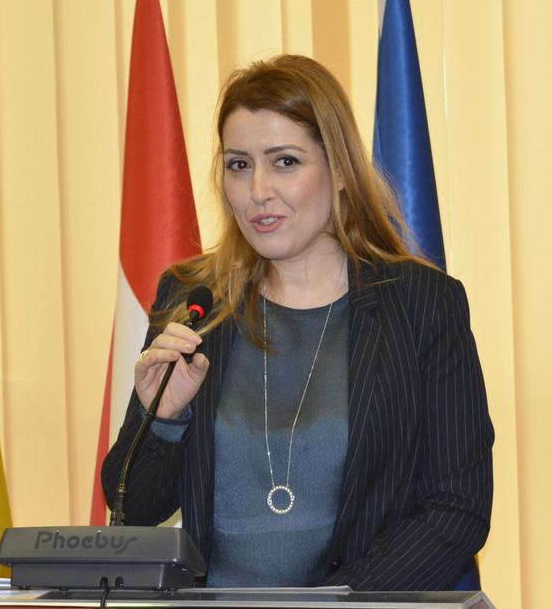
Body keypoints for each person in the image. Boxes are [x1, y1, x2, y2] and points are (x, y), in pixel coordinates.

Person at [101, 54, 493, 591]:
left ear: (340, 171)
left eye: (284, 161)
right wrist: (164, 420)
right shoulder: (195, 300)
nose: (258, 190)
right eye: (239, 165)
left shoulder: (421, 304)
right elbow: (133, 509)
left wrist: (338, 604)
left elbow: (458, 507)